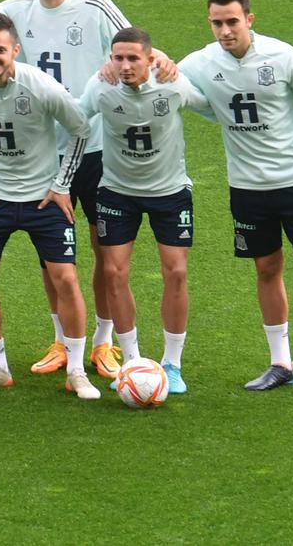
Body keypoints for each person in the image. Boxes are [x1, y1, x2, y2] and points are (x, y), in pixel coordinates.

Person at [178, 0, 293, 400]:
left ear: (249, 20)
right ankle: (282, 363)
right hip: (246, 189)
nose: (224, 30)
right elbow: (168, 78)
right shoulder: (201, 62)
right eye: (216, 23)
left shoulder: (282, 56)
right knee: (266, 269)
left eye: (232, 22)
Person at [0, 0, 135, 380]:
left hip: (95, 148)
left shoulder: (95, 8)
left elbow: (136, 48)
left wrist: (152, 65)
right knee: (52, 256)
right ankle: (62, 339)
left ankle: (102, 341)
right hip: (43, 156)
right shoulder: (16, 11)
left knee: (104, 251)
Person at [0, 12, 97, 400]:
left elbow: (80, 128)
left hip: (42, 199)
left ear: (15, 49)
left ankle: (77, 370)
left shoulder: (42, 86)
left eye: (0, 49)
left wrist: (62, 185)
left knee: (65, 278)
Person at [79, 27, 205, 395]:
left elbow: (208, 107)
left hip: (170, 192)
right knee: (114, 272)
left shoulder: (172, 85)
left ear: (151, 59)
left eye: (133, 58)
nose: (125, 65)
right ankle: (132, 360)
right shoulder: (101, 87)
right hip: (117, 192)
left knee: (177, 272)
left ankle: (173, 363)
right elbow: (73, 117)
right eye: (118, 58)